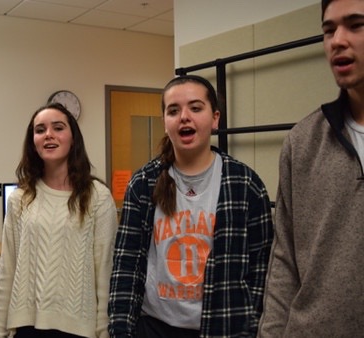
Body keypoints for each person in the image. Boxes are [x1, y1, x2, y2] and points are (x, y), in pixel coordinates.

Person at [108, 75, 274, 337]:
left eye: (196, 108)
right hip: (153, 328)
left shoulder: (245, 184)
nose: (184, 116)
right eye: (173, 110)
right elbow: (127, 264)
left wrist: (250, 327)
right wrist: (121, 329)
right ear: (165, 122)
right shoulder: (143, 183)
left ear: (215, 118)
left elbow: (261, 270)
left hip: (221, 327)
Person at [258, 0, 364, 336]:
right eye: (329, 29)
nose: (337, 40)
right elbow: (284, 264)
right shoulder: (302, 143)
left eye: (356, 24)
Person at [0, 102, 118, 338]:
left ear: (73, 138)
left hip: (80, 329)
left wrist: (104, 332)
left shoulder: (98, 197)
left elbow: (105, 273)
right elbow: (7, 270)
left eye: (58, 128)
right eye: (40, 130)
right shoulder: (20, 199)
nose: (48, 134)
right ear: (33, 142)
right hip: (28, 327)